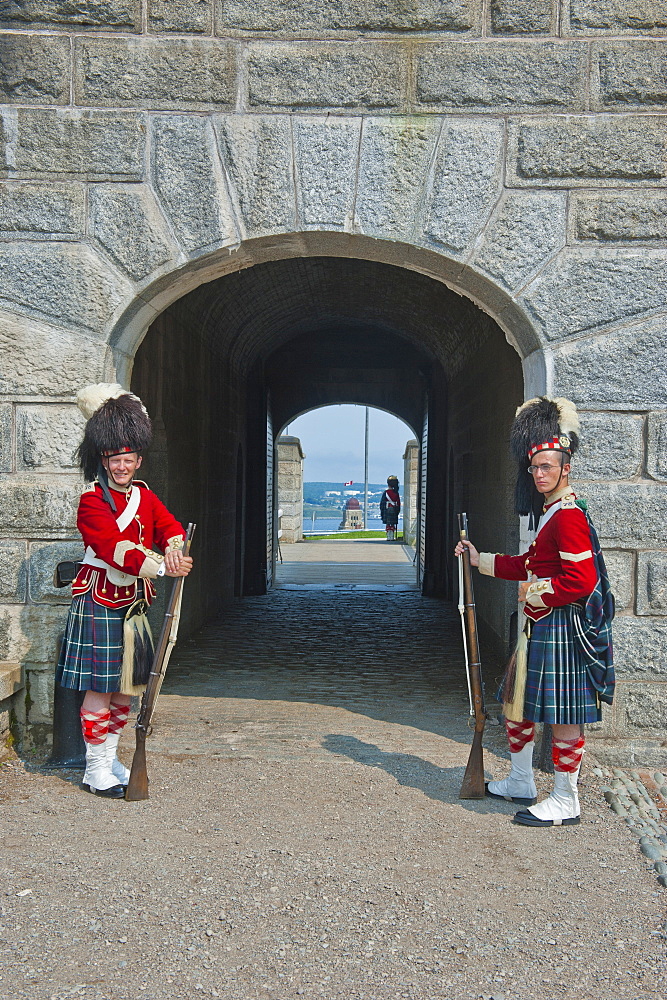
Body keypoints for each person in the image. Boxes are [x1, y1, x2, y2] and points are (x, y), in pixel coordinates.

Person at [455, 397, 614, 828]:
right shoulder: (550, 513)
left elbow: (581, 582)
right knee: (517, 705)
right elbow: (528, 563)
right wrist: (478, 559)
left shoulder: (568, 517)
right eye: (535, 467)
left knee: (564, 718)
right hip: (540, 626)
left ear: (566, 466)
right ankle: (522, 780)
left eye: (548, 466)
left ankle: (566, 800)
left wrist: (537, 595)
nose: (540, 474)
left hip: (560, 626)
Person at [57, 384, 193, 798]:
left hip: (131, 604)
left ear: (138, 459)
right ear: (104, 458)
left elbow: (168, 525)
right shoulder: (91, 501)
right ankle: (94, 767)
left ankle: (111, 757)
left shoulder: (145, 495)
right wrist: (162, 567)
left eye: (128, 459)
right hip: (98, 598)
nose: (122, 466)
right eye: (115, 459)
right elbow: (113, 549)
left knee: (124, 688)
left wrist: (175, 548)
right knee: (99, 687)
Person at [380, 475, 401, 541]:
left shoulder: (386, 493)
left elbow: (382, 503)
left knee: (388, 523)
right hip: (394, 509)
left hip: (387, 509)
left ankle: (389, 536)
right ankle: (392, 536)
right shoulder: (396, 493)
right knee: (392, 523)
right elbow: (398, 503)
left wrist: (382, 511)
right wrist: (398, 511)